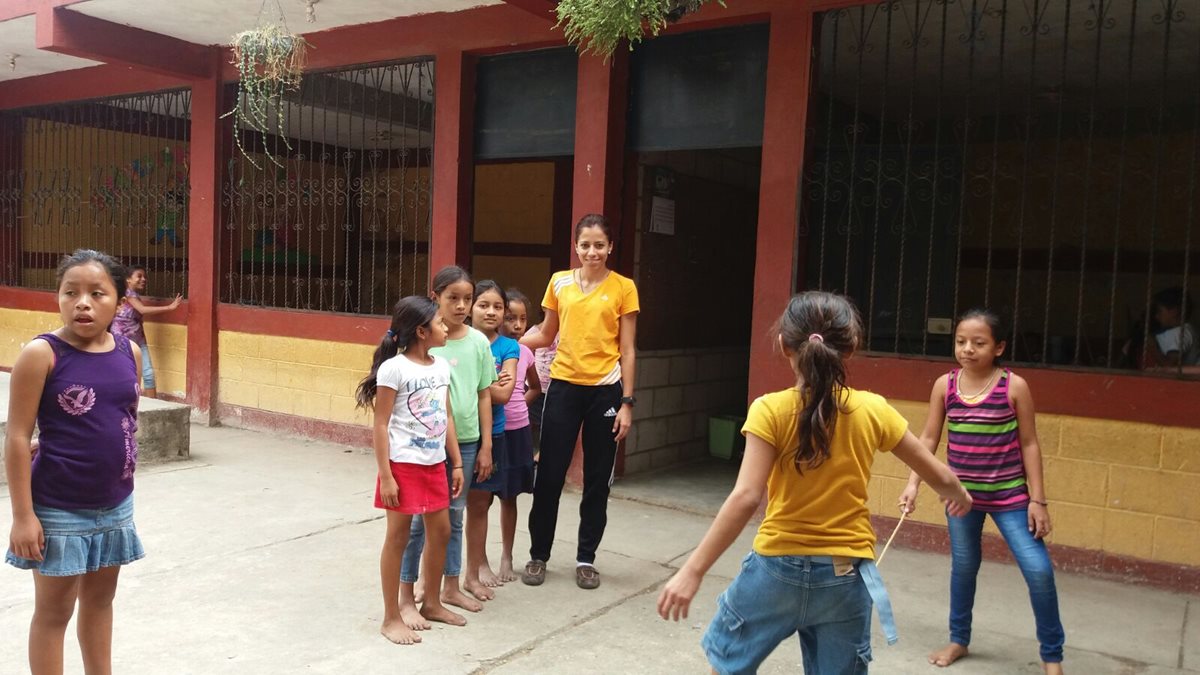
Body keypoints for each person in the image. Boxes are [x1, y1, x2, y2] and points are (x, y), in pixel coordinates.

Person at [656, 291, 973, 675]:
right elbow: (937, 473)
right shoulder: (873, 409)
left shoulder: (769, 409)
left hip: (774, 572)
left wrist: (692, 571)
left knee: (726, 667)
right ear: (852, 347)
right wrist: (957, 493)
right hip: (844, 580)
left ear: (783, 345)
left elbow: (745, 497)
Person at [898, 308, 1065, 674]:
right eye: (960, 342)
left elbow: (1030, 444)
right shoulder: (945, 385)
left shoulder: (1014, 386)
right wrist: (913, 484)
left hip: (1011, 498)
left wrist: (1038, 501)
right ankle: (959, 638)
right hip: (961, 499)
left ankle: (1052, 657)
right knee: (964, 567)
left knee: (1038, 570)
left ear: (999, 346)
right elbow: (927, 438)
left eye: (979, 342)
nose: (967, 349)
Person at [5, 249, 147, 674]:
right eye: (71, 292)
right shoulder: (42, 355)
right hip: (58, 510)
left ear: (120, 303)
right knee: (54, 613)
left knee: (101, 604)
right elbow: (15, 437)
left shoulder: (130, 353)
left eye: (96, 293)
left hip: (115, 506)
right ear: (58, 298)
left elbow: (123, 420)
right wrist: (23, 516)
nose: (82, 302)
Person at [520, 213, 639, 590]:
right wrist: (510, 345)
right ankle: (539, 556)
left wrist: (627, 402)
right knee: (550, 475)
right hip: (564, 388)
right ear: (576, 246)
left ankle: (586, 559)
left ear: (610, 247)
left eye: (599, 245)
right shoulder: (559, 283)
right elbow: (547, 332)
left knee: (596, 481)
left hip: (606, 390)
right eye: (585, 245)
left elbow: (628, 349)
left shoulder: (624, 287)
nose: (592, 252)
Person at [354, 296, 465, 644]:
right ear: (421, 331)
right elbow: (381, 423)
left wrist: (456, 461)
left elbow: (445, 416)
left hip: (435, 465)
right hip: (402, 466)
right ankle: (390, 617)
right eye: (439, 322)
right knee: (398, 538)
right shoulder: (395, 369)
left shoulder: (441, 366)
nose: (445, 326)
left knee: (442, 531)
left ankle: (431, 601)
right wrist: (386, 475)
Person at [401, 266, 496, 613]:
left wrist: (486, 445)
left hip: (468, 442)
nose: (461, 306)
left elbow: (485, 394)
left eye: (467, 299)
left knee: (455, 515)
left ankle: (450, 587)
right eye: (452, 298)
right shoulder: (426, 341)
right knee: (417, 521)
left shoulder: (478, 343)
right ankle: (412, 587)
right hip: (426, 445)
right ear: (435, 297)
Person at [465, 280, 519, 590]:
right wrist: (488, 384)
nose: (491, 312)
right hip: (456, 431)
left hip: (492, 433)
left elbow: (504, 395)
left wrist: (470, 385)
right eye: (484, 305)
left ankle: (478, 564)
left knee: (480, 502)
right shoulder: (453, 340)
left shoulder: (508, 346)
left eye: (498, 307)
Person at [497, 288, 540, 582]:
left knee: (510, 497)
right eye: (510, 318)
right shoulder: (485, 348)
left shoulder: (525, 352)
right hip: (492, 432)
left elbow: (535, 387)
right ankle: (478, 561)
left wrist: (518, 406)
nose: (516, 325)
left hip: (519, 432)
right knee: (481, 498)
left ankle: (507, 556)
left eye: (522, 319)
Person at [110, 264, 182, 399]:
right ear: (128, 280)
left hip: (139, 339)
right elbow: (142, 310)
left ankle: (151, 406)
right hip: (122, 340)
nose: (143, 279)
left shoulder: (134, 295)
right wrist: (169, 307)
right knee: (126, 372)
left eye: (144, 276)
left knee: (147, 374)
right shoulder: (127, 294)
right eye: (139, 276)